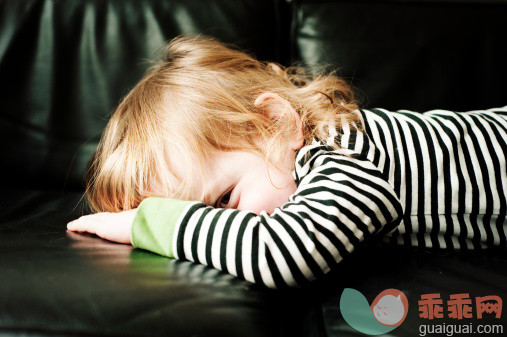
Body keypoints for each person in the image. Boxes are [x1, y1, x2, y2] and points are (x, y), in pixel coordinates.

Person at [67, 35, 507, 288]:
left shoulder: (343, 152)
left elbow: (286, 251)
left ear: (276, 123)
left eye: (223, 200)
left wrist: (151, 224)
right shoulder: (298, 157)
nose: (227, 225)